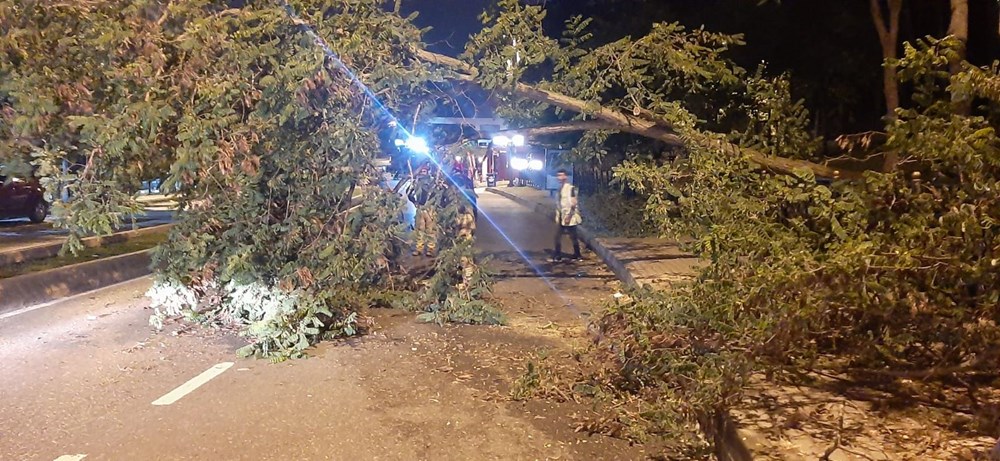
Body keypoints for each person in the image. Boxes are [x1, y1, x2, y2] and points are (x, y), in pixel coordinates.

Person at [407, 167, 447, 257]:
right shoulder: (417, 183)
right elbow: (409, 193)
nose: (423, 173)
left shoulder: (433, 182)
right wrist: (414, 202)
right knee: (419, 229)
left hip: (430, 209)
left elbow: (439, 194)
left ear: (428, 172)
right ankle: (419, 248)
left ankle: (430, 248)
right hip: (420, 208)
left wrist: (436, 205)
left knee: (431, 230)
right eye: (422, 171)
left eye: (425, 171)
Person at [551, 169, 582, 262]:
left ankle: (577, 255)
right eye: (558, 175)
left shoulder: (571, 189)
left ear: (566, 177)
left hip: (570, 217)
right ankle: (558, 255)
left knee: (573, 237)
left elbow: (573, 203)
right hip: (562, 217)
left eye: (561, 175)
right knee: (558, 237)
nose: (559, 177)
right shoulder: (560, 189)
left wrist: (569, 216)